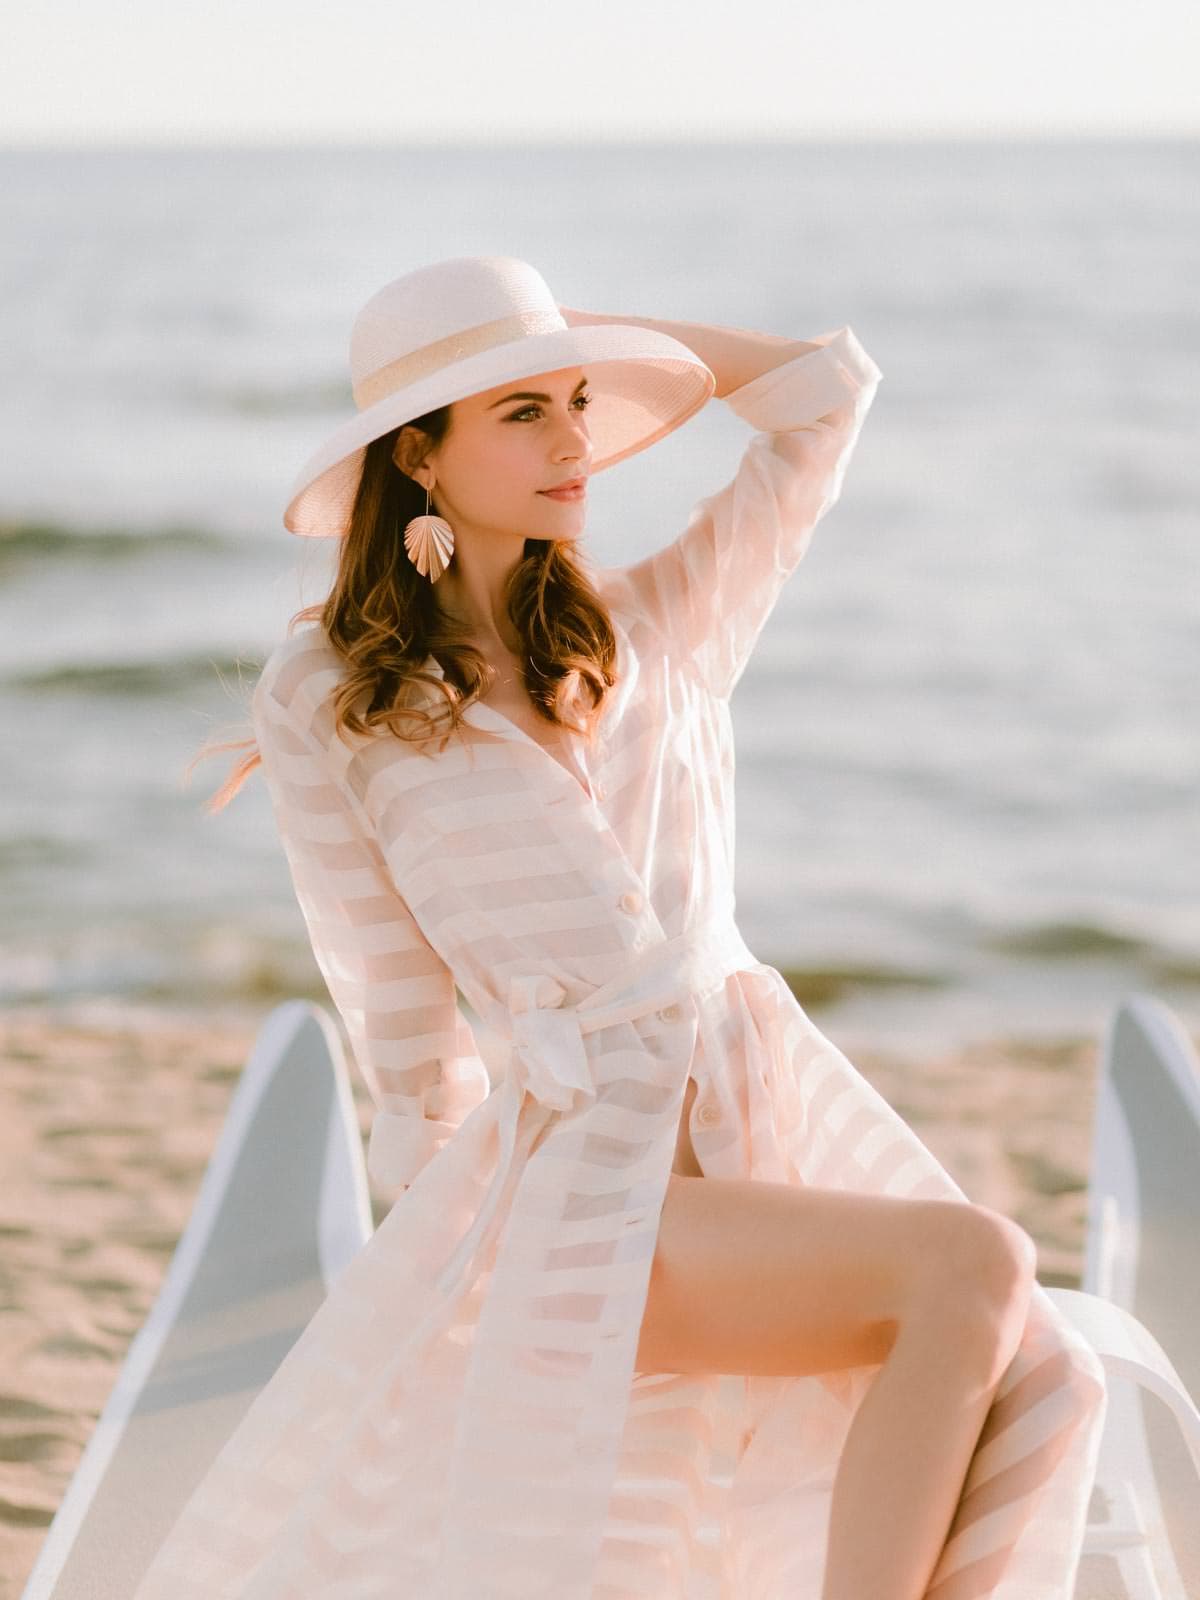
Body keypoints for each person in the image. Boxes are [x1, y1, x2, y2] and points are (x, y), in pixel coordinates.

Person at [143, 256, 1107, 1599]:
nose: (577, 440)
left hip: (763, 1110)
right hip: (587, 1187)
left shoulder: (658, 630)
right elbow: (402, 1025)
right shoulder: (333, 701)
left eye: (584, 401)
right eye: (522, 412)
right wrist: (431, 1281)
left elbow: (826, 396)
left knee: (1044, 1371)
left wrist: (599, 336)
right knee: (979, 1266)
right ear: (418, 456)